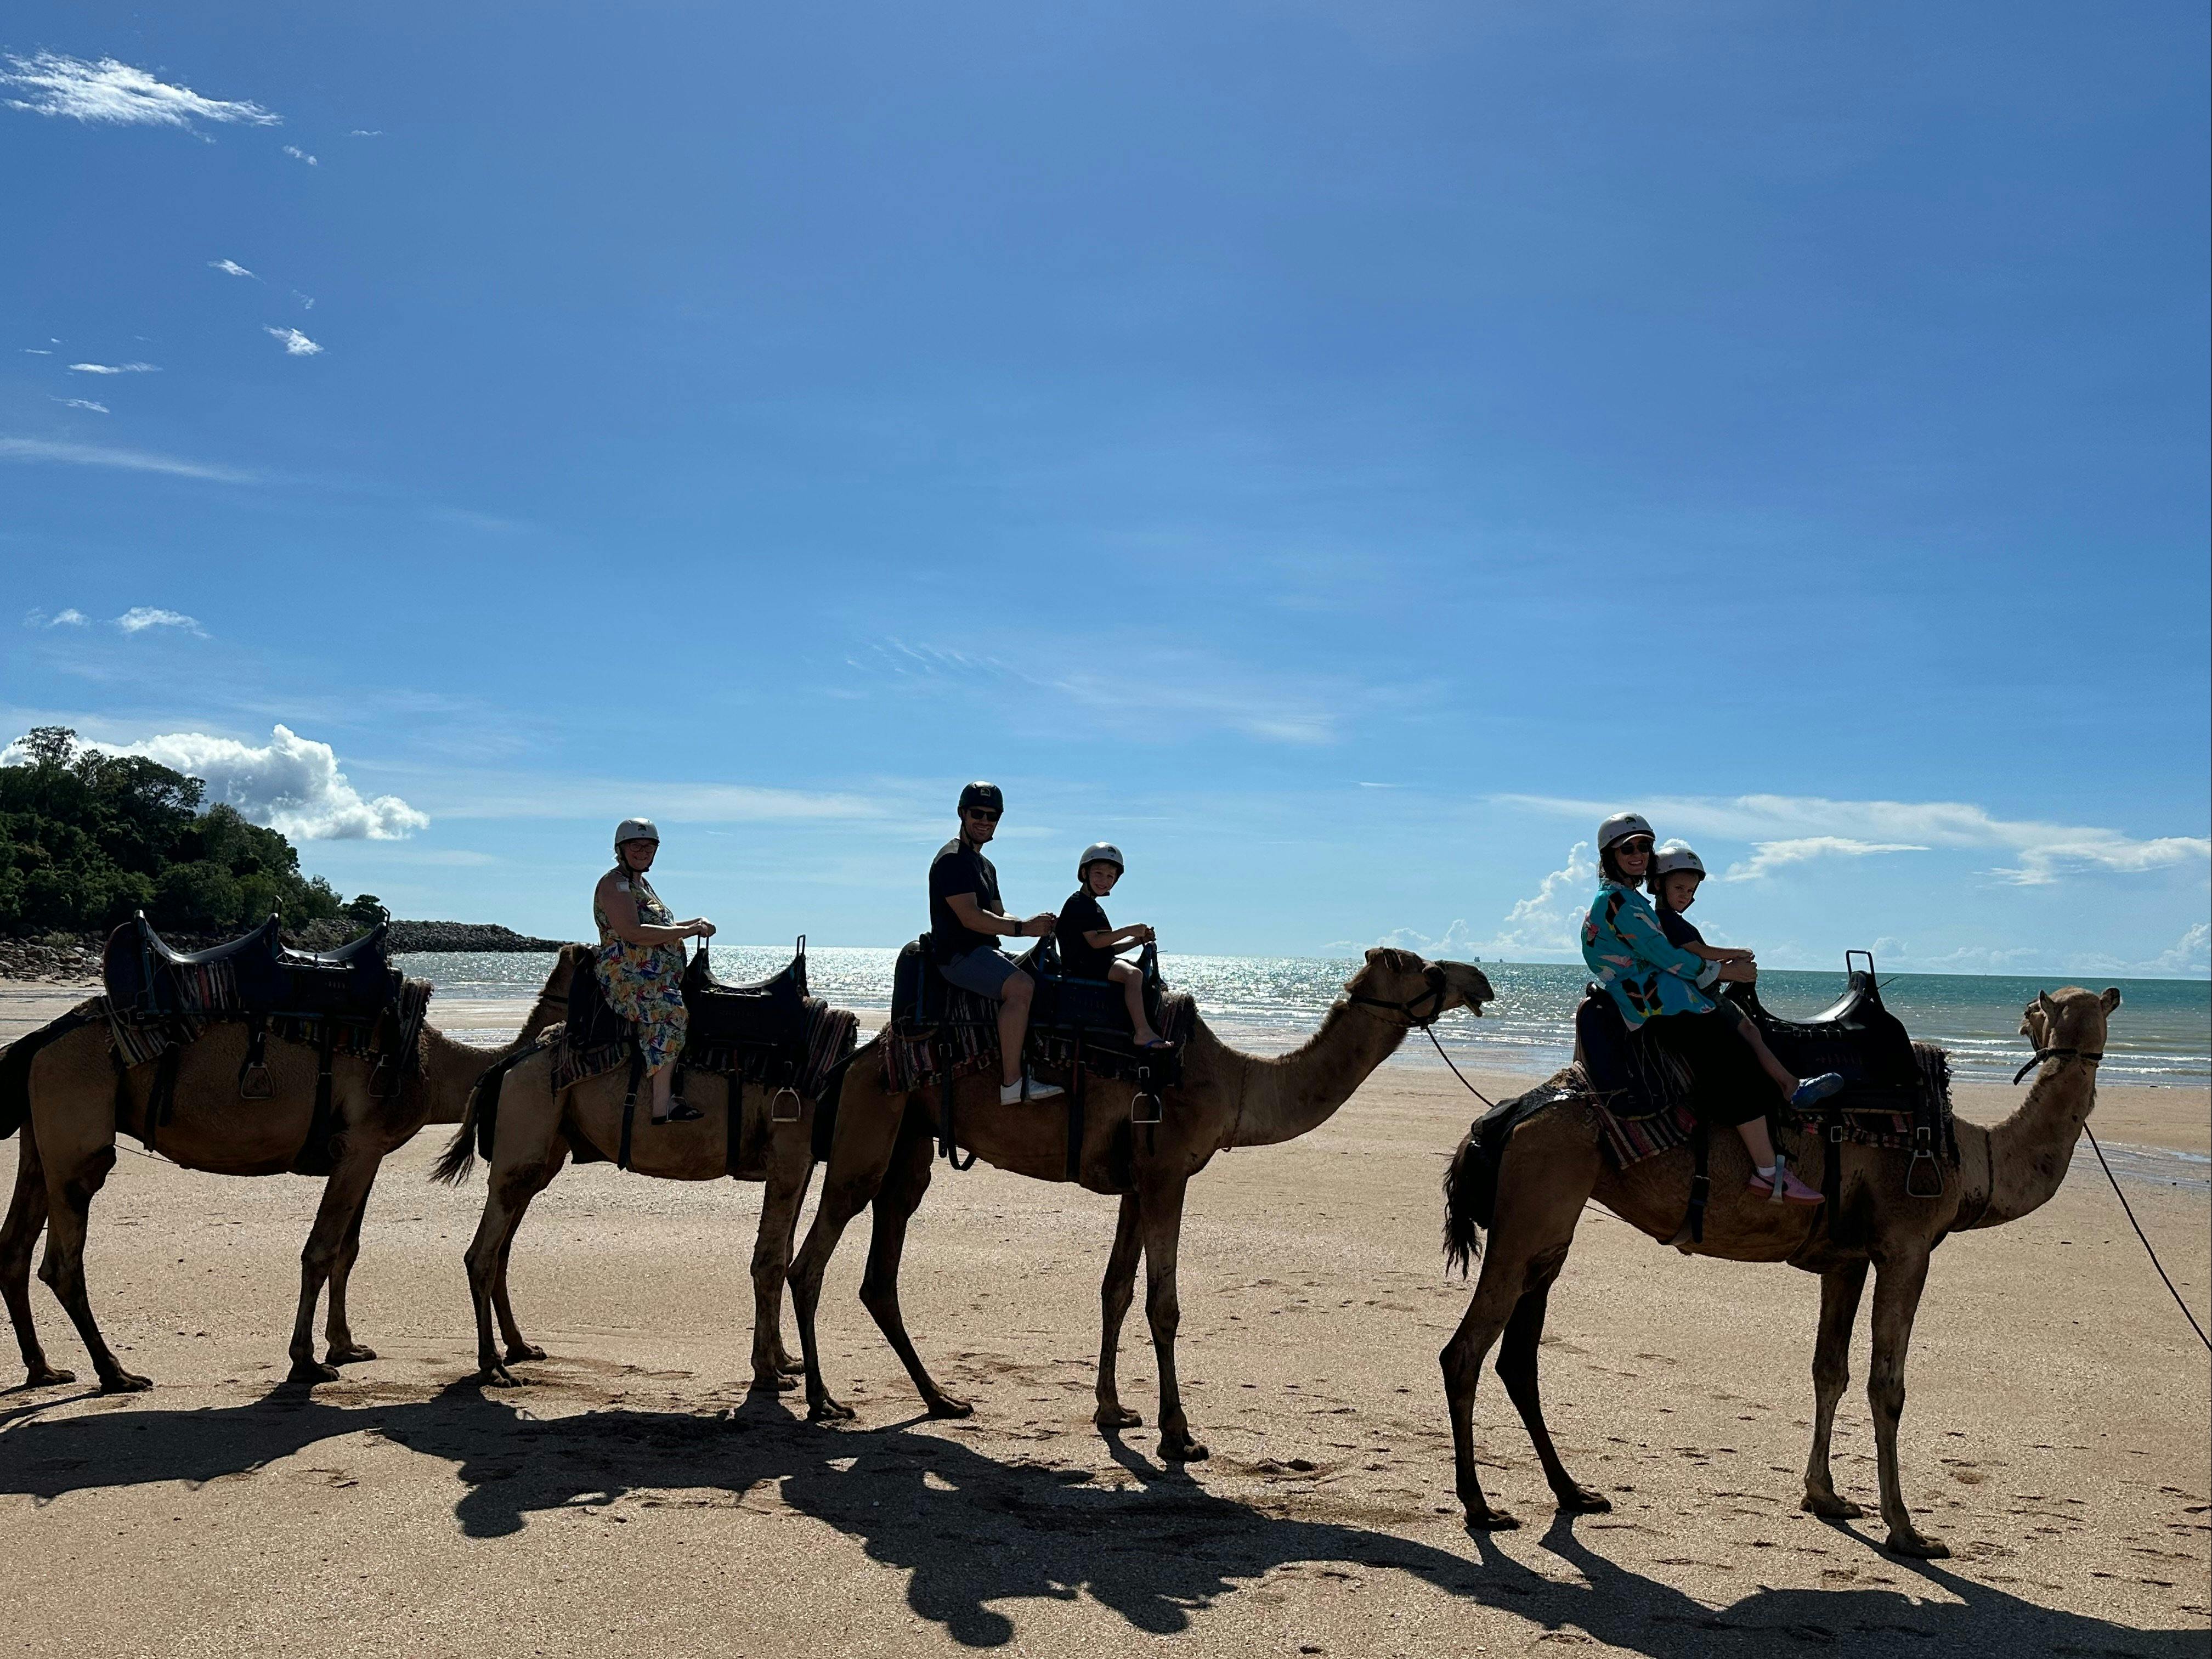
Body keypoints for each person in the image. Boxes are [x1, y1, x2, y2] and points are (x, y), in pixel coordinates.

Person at [1581, 812, 1840, 1205]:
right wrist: (1725, 971)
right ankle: (1769, 1174)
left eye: (1644, 846)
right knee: (1732, 1061)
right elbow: (1666, 956)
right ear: (1610, 854)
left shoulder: (1627, 898)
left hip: (1660, 993)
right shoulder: (1618, 903)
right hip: (1655, 1000)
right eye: (1627, 847)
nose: (1637, 854)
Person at [928, 782, 1063, 1104]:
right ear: (962, 814)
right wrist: (1022, 928)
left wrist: (1036, 925)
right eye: (978, 813)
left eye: (992, 816)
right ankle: (1012, 1083)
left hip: (985, 951)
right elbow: (971, 917)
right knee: (1021, 988)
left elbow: (999, 914)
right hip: (959, 956)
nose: (985, 821)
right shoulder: (952, 860)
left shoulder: (986, 866)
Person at [1649, 840, 1811, 1108]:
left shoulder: (1674, 922)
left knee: (1750, 1030)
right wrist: (1736, 953)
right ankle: (1787, 1084)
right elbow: (1700, 952)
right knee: (1748, 1033)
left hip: (1704, 989)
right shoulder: (1668, 922)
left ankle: (1787, 1082)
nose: (1685, 896)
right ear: (1658, 885)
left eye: (1690, 891)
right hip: (1704, 995)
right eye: (1678, 888)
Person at [592, 818, 716, 1125]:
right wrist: (685, 933)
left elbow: (661, 928)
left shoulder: (642, 885)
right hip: (628, 976)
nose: (642, 851)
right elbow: (633, 932)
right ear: (620, 849)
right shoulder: (613, 883)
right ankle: (664, 1104)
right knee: (671, 1012)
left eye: (649, 846)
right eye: (635, 845)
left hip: (658, 975)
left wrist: (694, 922)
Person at [1056, 843, 1167, 1048]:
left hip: (1095, 963)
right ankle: (1142, 1031)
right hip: (1083, 967)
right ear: (1084, 872)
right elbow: (1096, 943)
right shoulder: (1079, 904)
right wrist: (1129, 930)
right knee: (1133, 975)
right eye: (1098, 873)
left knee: (1137, 972)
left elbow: (1107, 949)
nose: (1104, 881)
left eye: (1110, 876)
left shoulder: (1092, 906)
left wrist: (1137, 941)